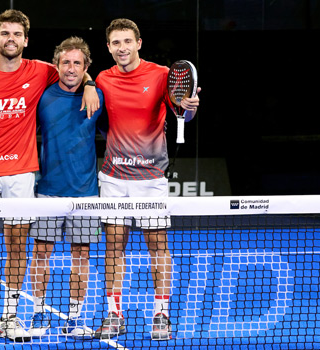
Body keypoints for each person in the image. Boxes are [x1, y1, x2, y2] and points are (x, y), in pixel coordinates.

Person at [0, 9, 99, 344]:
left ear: (26, 40)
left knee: (18, 244)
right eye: (5, 34)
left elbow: (74, 70)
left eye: (17, 34)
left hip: (21, 173)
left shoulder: (41, 71)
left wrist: (90, 83)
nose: (11, 39)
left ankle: (12, 316)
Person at [93, 18, 200, 341]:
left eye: (127, 41)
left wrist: (190, 107)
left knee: (158, 247)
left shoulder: (160, 75)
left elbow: (183, 111)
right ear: (109, 47)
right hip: (113, 177)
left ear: (138, 43)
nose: (122, 48)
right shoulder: (103, 78)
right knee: (114, 247)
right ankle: (114, 314)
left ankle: (161, 314)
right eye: (115, 43)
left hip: (151, 178)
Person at [27, 36, 104, 339]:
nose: (71, 68)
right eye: (66, 62)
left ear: (86, 67)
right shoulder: (42, 97)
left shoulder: (98, 98)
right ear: (56, 64)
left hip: (85, 193)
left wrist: (91, 84)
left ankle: (74, 317)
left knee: (80, 257)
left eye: (78, 63)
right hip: (48, 190)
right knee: (40, 254)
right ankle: (38, 313)